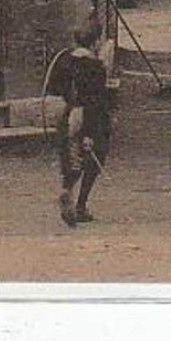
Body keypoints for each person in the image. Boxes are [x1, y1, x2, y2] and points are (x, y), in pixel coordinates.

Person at [47, 15, 112, 227]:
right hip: (89, 116)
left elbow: (54, 87)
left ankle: (67, 190)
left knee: (72, 156)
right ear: (95, 41)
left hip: (68, 113)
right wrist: (92, 132)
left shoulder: (64, 60)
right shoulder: (95, 67)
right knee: (95, 157)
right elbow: (96, 100)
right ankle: (81, 206)